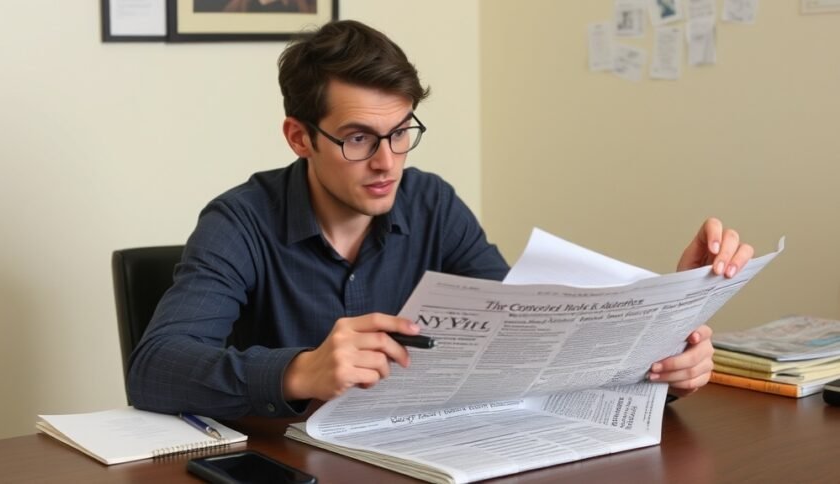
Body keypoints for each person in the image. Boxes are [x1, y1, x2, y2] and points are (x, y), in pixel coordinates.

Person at [126, 20, 754, 419]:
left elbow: (530, 334)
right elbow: (155, 368)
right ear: (299, 137)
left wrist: (665, 341)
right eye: (357, 139)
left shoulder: (431, 203)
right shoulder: (238, 222)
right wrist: (300, 371)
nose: (387, 163)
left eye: (401, 134)